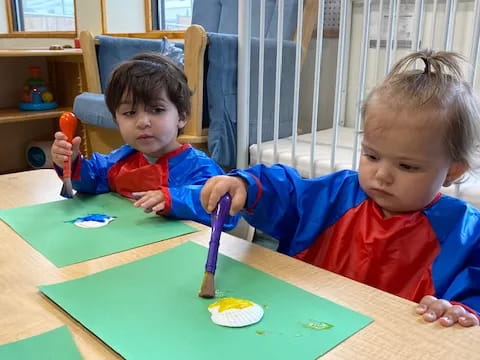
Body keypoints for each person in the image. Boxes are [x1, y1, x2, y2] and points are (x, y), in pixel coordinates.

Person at [200, 50, 480, 326]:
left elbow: (474, 291)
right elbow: (288, 193)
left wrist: (460, 310)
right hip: (302, 324)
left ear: (453, 171)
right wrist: (246, 185)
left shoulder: (464, 232)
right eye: (371, 155)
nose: (381, 175)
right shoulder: (336, 194)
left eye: (407, 166)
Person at [51, 52, 237, 229]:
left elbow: (227, 212)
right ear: (117, 120)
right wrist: (72, 162)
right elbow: (93, 181)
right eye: (129, 113)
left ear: (181, 116)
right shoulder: (122, 159)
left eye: (157, 110)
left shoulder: (199, 166)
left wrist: (173, 199)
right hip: (128, 247)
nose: (142, 122)